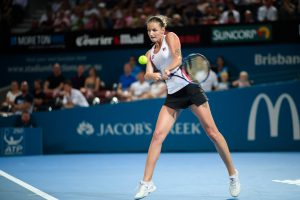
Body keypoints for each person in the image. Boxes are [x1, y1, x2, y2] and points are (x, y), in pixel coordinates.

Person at [134, 15, 240, 200]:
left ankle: (233, 175)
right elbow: (148, 74)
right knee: (157, 136)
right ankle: (146, 183)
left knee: (212, 133)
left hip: (190, 89)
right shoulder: (150, 53)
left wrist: (168, 70)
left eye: (154, 30)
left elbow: (178, 58)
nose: (151, 33)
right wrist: (154, 76)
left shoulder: (171, 37)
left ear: (162, 29)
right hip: (173, 96)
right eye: (148, 30)